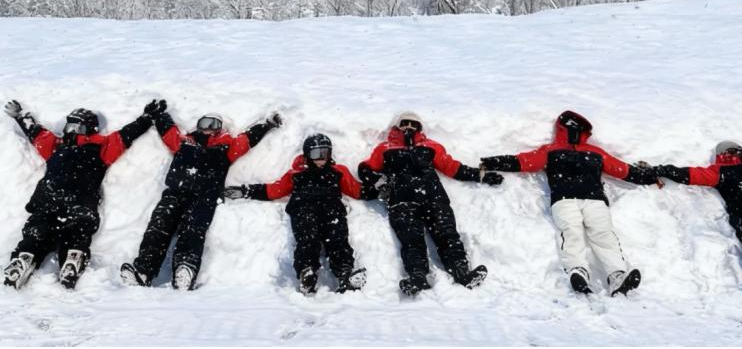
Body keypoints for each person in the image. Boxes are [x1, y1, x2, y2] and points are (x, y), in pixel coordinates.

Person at [480, 110, 658, 296]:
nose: (575, 131)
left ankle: (617, 276)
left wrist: (650, 176)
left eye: (578, 128)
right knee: (571, 233)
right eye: (571, 127)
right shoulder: (550, 151)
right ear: (562, 128)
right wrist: (493, 162)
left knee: (604, 234)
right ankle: (578, 271)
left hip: (595, 200)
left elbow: (623, 170)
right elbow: (525, 161)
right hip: (564, 200)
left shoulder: (596, 152)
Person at [120, 100, 282, 290]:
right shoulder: (184, 143)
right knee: (158, 227)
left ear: (220, 129)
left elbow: (248, 139)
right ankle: (143, 270)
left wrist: (267, 124)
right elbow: (168, 131)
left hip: (204, 197)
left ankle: (185, 269)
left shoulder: (226, 147)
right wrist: (159, 115)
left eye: (213, 125)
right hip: (175, 193)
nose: (207, 129)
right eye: (204, 123)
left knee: (193, 230)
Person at [3, 99, 156, 289]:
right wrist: (20, 117)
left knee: (75, 230)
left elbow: (125, 135)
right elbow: (36, 133)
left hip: (78, 200)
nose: (71, 131)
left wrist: (146, 119)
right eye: (69, 126)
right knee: (38, 230)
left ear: (89, 129)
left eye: (77, 127)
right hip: (53, 199)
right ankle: (27, 257)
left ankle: (72, 257)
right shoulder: (57, 144)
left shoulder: (101, 146)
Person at [358, 111, 504, 296]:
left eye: (414, 124)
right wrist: (379, 183)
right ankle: (417, 277)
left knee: (448, 235)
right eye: (405, 123)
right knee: (411, 241)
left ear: (420, 128)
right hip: (402, 201)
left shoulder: (430, 146)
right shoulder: (385, 148)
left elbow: (453, 168)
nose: (409, 127)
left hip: (434, 197)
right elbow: (365, 168)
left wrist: (482, 176)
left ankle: (462, 273)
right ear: (397, 126)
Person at [653, 141, 742, 302]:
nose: (735, 153)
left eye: (737, 151)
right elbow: (692, 174)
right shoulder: (720, 172)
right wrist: (665, 170)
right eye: (730, 151)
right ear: (722, 155)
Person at [225, 133, 370, 295]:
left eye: (325, 153)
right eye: (316, 154)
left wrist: (377, 190)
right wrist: (245, 191)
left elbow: (356, 190)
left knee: (338, 239)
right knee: (307, 239)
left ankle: (345, 273)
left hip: (331, 210)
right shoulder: (296, 173)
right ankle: (307, 272)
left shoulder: (338, 171)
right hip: (303, 209)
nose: (321, 158)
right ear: (307, 154)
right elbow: (274, 190)